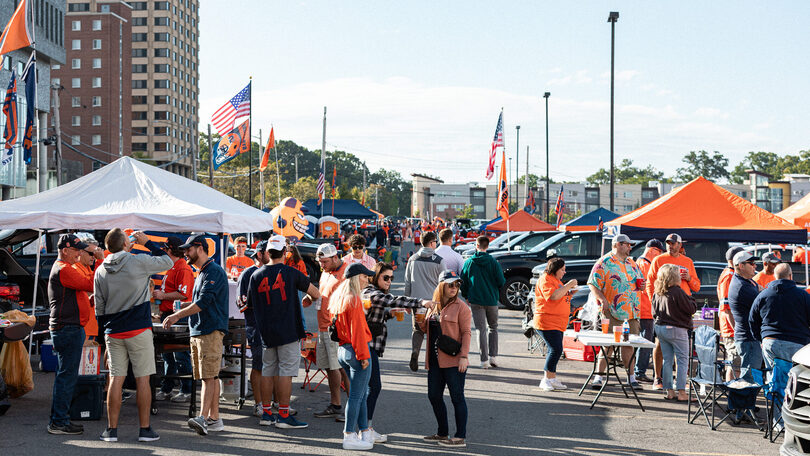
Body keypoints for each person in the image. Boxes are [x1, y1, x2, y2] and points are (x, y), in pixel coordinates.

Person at [95, 229, 174, 442]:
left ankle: (111, 430)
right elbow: (168, 261)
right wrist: (148, 242)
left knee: (115, 378)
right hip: (138, 328)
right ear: (125, 245)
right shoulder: (137, 261)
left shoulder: (100, 269)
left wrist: (104, 334)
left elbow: (99, 307)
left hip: (113, 330)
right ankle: (144, 429)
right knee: (142, 379)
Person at [250, 235, 321, 429]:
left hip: (266, 331)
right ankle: (283, 414)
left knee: (267, 371)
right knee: (285, 373)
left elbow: (247, 304)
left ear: (267, 252)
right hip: (288, 329)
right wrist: (306, 299)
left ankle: (266, 413)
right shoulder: (291, 272)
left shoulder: (255, 275)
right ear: (285, 252)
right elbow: (316, 293)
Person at [162, 234, 229, 436]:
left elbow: (203, 303)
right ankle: (214, 419)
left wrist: (176, 315)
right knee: (211, 376)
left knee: (208, 376)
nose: (185, 253)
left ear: (199, 248)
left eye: (188, 249)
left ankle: (202, 417)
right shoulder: (202, 272)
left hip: (209, 330)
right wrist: (182, 307)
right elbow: (201, 301)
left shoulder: (213, 271)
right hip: (201, 329)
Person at [361, 262, 435, 442]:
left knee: (367, 389)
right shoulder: (370, 292)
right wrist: (421, 302)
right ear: (375, 276)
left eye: (391, 278)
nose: (389, 281)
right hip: (365, 348)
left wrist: (389, 315)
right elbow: (392, 300)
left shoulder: (374, 294)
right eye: (385, 277)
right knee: (370, 388)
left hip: (370, 347)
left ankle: (363, 428)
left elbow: (373, 316)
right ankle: (363, 429)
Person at [47, 234, 95, 435]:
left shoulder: (64, 268)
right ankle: (59, 421)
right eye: (77, 250)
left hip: (68, 327)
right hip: (67, 328)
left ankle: (58, 420)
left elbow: (80, 293)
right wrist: (99, 260)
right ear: (65, 250)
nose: (80, 253)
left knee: (64, 376)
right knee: (66, 377)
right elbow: (91, 284)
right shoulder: (64, 269)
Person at [419, 270, 472, 448]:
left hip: (454, 360)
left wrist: (464, 356)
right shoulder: (434, 305)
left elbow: (466, 333)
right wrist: (419, 319)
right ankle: (442, 432)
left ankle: (460, 437)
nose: (454, 288)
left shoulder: (461, 306)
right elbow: (427, 330)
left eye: (457, 284)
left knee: (457, 397)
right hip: (434, 361)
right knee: (434, 396)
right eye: (451, 284)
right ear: (441, 286)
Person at [588, 234, 644, 390]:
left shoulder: (632, 263)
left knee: (629, 344)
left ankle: (631, 378)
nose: (630, 247)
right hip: (613, 311)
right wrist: (602, 299)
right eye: (628, 244)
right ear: (618, 245)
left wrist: (642, 286)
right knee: (608, 345)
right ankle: (598, 377)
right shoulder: (604, 262)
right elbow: (592, 283)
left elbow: (639, 281)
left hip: (632, 312)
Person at [645, 233, 701, 388]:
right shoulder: (659, 260)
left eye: (673, 243)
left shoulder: (687, 261)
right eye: (668, 243)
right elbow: (650, 283)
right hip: (664, 308)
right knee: (660, 345)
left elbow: (696, 286)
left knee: (681, 349)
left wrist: (689, 278)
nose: (670, 245)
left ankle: (680, 381)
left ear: (680, 245)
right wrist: (654, 302)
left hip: (682, 309)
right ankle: (658, 378)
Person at [329, 263, 375, 450]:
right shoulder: (354, 299)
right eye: (365, 276)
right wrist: (364, 356)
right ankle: (349, 435)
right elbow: (357, 332)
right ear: (357, 277)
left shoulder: (339, 297)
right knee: (357, 396)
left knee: (360, 394)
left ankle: (364, 432)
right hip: (356, 351)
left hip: (343, 350)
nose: (367, 279)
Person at [305, 243, 350, 421]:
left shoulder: (346, 273)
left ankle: (354, 407)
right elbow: (322, 294)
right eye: (320, 262)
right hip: (324, 326)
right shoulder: (326, 272)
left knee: (343, 368)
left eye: (324, 262)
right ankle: (336, 404)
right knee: (332, 368)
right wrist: (310, 298)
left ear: (335, 257)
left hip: (337, 328)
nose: (321, 265)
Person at [152, 236, 195, 403]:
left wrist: (163, 296)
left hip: (178, 316)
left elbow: (183, 294)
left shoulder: (182, 268)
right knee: (167, 355)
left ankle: (186, 390)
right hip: (168, 314)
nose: (163, 251)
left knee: (180, 354)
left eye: (166, 249)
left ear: (171, 250)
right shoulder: (173, 266)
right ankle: (167, 387)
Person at [750, 263, 810, 368]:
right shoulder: (803, 295)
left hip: (770, 341)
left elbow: (752, 320)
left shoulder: (763, 295)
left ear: (775, 276)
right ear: (791, 276)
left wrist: (761, 338)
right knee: (793, 378)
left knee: (773, 377)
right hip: (796, 342)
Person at [652, 264, 697, 402]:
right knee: (682, 361)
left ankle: (670, 391)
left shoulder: (657, 291)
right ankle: (682, 392)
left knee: (667, 360)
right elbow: (691, 308)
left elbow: (654, 312)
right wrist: (691, 300)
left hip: (660, 328)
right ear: (674, 277)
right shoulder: (677, 291)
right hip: (676, 329)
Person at [460, 235, 505, 369]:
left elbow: (463, 281)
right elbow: (501, 281)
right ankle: (493, 357)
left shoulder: (469, 262)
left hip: (475, 299)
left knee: (481, 329)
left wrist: (466, 295)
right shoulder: (493, 262)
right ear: (488, 246)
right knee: (493, 328)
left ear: (476, 245)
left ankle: (483, 360)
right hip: (491, 299)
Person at [404, 230, 446, 371]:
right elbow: (443, 283)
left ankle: (415, 351)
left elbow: (408, 281)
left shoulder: (413, 259)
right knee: (434, 331)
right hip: (435, 303)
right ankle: (432, 361)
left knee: (417, 330)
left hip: (417, 301)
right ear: (431, 242)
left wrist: (407, 302)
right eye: (435, 242)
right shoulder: (439, 260)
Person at [534, 257, 577, 391]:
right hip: (547, 321)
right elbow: (553, 296)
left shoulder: (555, 280)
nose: (564, 272)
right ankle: (546, 379)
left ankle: (551, 378)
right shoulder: (545, 280)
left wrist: (569, 293)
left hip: (557, 322)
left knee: (555, 349)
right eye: (562, 269)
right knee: (555, 349)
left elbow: (559, 295)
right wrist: (568, 285)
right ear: (555, 269)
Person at [238, 240, 269, 418]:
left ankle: (270, 403)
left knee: (272, 367)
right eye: (269, 252)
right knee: (259, 366)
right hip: (256, 326)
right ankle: (258, 404)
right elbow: (241, 303)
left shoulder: (274, 271)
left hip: (273, 327)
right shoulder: (248, 273)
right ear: (259, 254)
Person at [727, 250, 762, 383]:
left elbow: (760, 291)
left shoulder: (746, 281)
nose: (755, 266)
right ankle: (745, 403)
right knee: (749, 377)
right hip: (748, 338)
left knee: (751, 374)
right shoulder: (742, 286)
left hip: (748, 337)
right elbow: (763, 302)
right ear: (741, 266)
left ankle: (747, 403)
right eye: (751, 263)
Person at [633, 239, 664, 383]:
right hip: (645, 309)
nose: (660, 256)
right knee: (645, 342)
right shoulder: (644, 264)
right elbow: (649, 287)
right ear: (652, 250)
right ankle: (639, 371)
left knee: (643, 341)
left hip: (643, 308)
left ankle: (638, 370)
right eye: (659, 252)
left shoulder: (641, 263)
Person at [717, 246, 744, 381]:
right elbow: (727, 308)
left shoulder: (729, 273)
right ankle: (733, 393)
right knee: (735, 365)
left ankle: (732, 392)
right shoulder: (729, 276)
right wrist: (737, 329)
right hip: (731, 328)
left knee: (733, 364)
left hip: (731, 327)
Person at [72, 234, 104, 342]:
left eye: (95, 254)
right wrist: (100, 261)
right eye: (91, 253)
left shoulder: (88, 269)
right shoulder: (75, 269)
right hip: (83, 328)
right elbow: (93, 285)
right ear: (80, 252)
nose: (94, 257)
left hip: (90, 327)